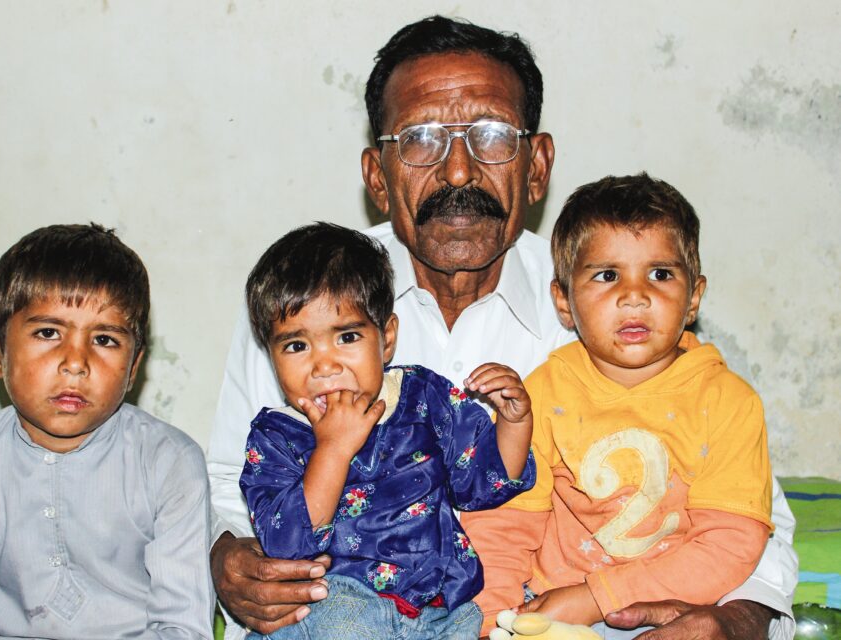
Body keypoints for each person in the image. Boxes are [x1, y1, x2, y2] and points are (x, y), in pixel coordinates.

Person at [206, 15, 798, 640]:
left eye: (492, 136)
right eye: (420, 140)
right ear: (377, 175)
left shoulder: (606, 300)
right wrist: (225, 557)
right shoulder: (305, 305)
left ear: (538, 166)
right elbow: (225, 481)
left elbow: (744, 505)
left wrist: (732, 621)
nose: (458, 171)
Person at [465, 174, 773, 639]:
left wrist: (598, 597)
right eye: (607, 276)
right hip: (547, 613)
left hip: (677, 617)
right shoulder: (545, 394)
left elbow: (731, 542)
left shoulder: (728, 403)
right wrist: (491, 623)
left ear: (693, 298)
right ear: (564, 302)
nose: (635, 295)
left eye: (661, 274)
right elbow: (504, 525)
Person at [0, 224, 214, 639]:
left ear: (133, 368)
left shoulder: (170, 464)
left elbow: (182, 629)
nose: (76, 362)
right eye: (48, 332)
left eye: (105, 339)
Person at [239, 222, 536, 638]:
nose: (324, 365)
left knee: (470, 617)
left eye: (346, 336)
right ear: (270, 354)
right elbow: (287, 546)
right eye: (296, 345)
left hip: (433, 610)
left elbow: (480, 486)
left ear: (387, 338)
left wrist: (514, 422)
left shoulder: (421, 396)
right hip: (331, 608)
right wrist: (333, 450)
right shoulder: (277, 437)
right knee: (344, 616)